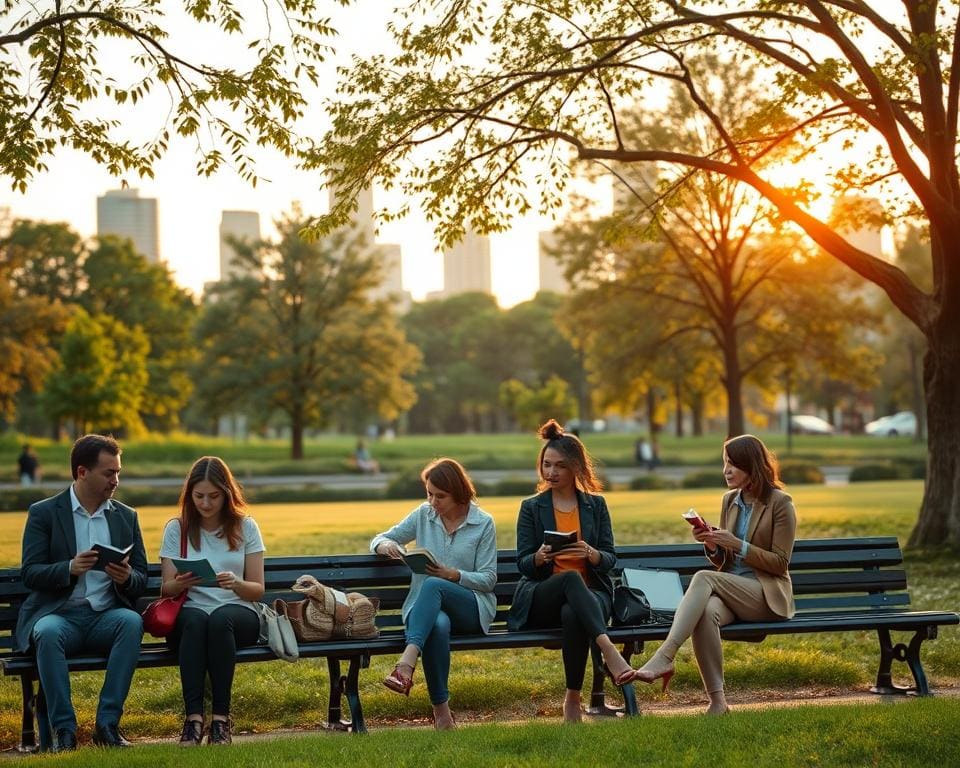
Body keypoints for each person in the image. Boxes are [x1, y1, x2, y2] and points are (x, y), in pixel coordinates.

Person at [634, 434, 797, 715]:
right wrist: (712, 543)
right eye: (725, 463)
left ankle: (665, 655)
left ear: (752, 466)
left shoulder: (780, 503)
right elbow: (725, 561)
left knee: (703, 577)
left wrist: (738, 544)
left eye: (734, 464)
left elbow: (780, 564)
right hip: (734, 588)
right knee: (707, 612)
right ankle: (718, 702)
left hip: (766, 593)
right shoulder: (729, 500)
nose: (727, 470)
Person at [15, 434, 147, 751]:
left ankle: (107, 726)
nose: (115, 480)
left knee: (131, 623)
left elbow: (142, 578)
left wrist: (126, 577)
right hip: (59, 616)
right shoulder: (44, 513)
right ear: (82, 472)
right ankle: (65, 732)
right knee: (46, 633)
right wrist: (68, 568)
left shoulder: (126, 516)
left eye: (118, 472)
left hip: (106, 616)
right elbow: (30, 573)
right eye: (108, 472)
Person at [507, 419, 637, 723]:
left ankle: (572, 701)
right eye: (547, 465)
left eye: (560, 466)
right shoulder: (531, 507)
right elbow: (523, 564)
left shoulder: (596, 505)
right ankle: (608, 648)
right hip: (543, 594)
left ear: (576, 468)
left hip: (590, 597)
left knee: (573, 613)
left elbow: (610, 559)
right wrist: (538, 557)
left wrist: (590, 553)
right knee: (567, 580)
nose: (551, 472)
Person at [370, 458, 496, 730]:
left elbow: (488, 579)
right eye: (429, 493)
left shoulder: (483, 523)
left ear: (459, 493)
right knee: (437, 625)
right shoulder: (423, 515)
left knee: (433, 583)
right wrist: (387, 546)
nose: (433, 501)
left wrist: (454, 575)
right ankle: (442, 714)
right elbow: (379, 538)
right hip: (427, 611)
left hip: (471, 608)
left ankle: (407, 661)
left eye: (440, 496)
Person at [159, 456, 266, 746]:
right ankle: (193, 719)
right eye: (199, 496)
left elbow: (258, 590)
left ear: (227, 494)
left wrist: (237, 583)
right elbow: (166, 589)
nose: (205, 503)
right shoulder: (176, 528)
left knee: (219, 620)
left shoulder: (246, 527)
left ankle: (221, 719)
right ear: (189, 495)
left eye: (213, 496)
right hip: (191, 612)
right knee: (197, 619)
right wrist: (179, 582)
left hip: (238, 612)